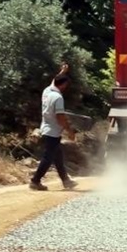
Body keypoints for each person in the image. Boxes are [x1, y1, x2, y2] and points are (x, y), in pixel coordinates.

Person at [29, 63, 79, 191]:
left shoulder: (47, 91)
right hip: (53, 132)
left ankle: (66, 181)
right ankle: (35, 181)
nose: (66, 87)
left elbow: (55, 80)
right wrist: (70, 131)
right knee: (48, 158)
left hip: (46, 128)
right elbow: (60, 117)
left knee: (58, 156)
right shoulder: (58, 98)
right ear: (63, 85)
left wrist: (63, 71)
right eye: (65, 85)